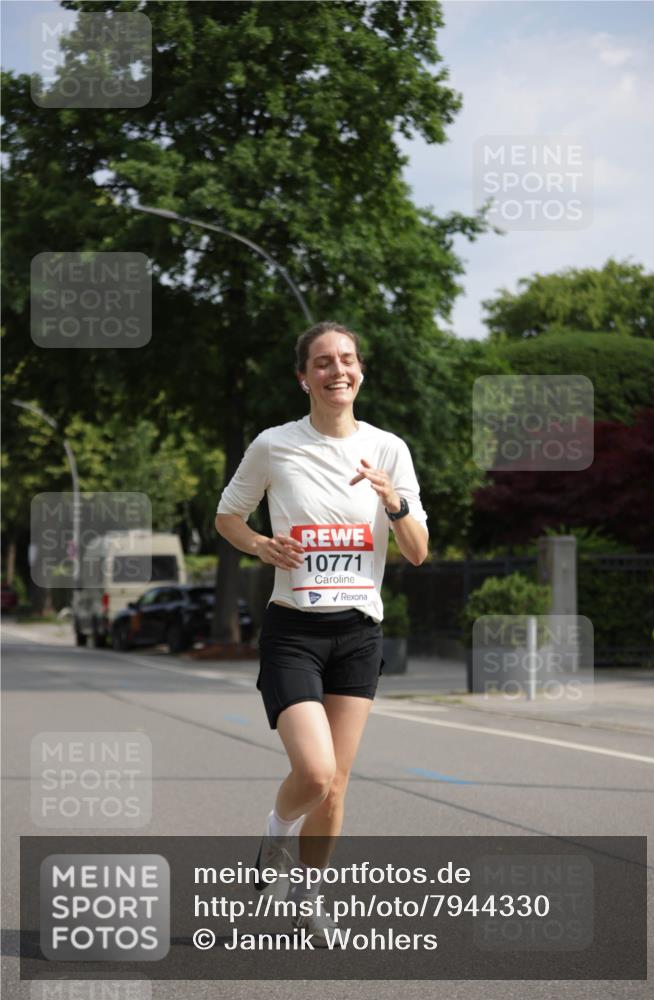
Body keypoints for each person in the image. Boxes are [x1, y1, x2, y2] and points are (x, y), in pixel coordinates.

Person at [214, 320, 428, 944]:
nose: (340, 371)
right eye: (324, 362)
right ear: (303, 376)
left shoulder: (389, 449)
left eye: (349, 359)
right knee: (313, 771)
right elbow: (229, 516)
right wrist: (258, 545)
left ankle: (310, 897)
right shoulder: (275, 445)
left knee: (337, 783)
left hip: (359, 634)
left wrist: (394, 503)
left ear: (361, 370)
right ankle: (274, 839)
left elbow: (416, 552)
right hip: (295, 632)